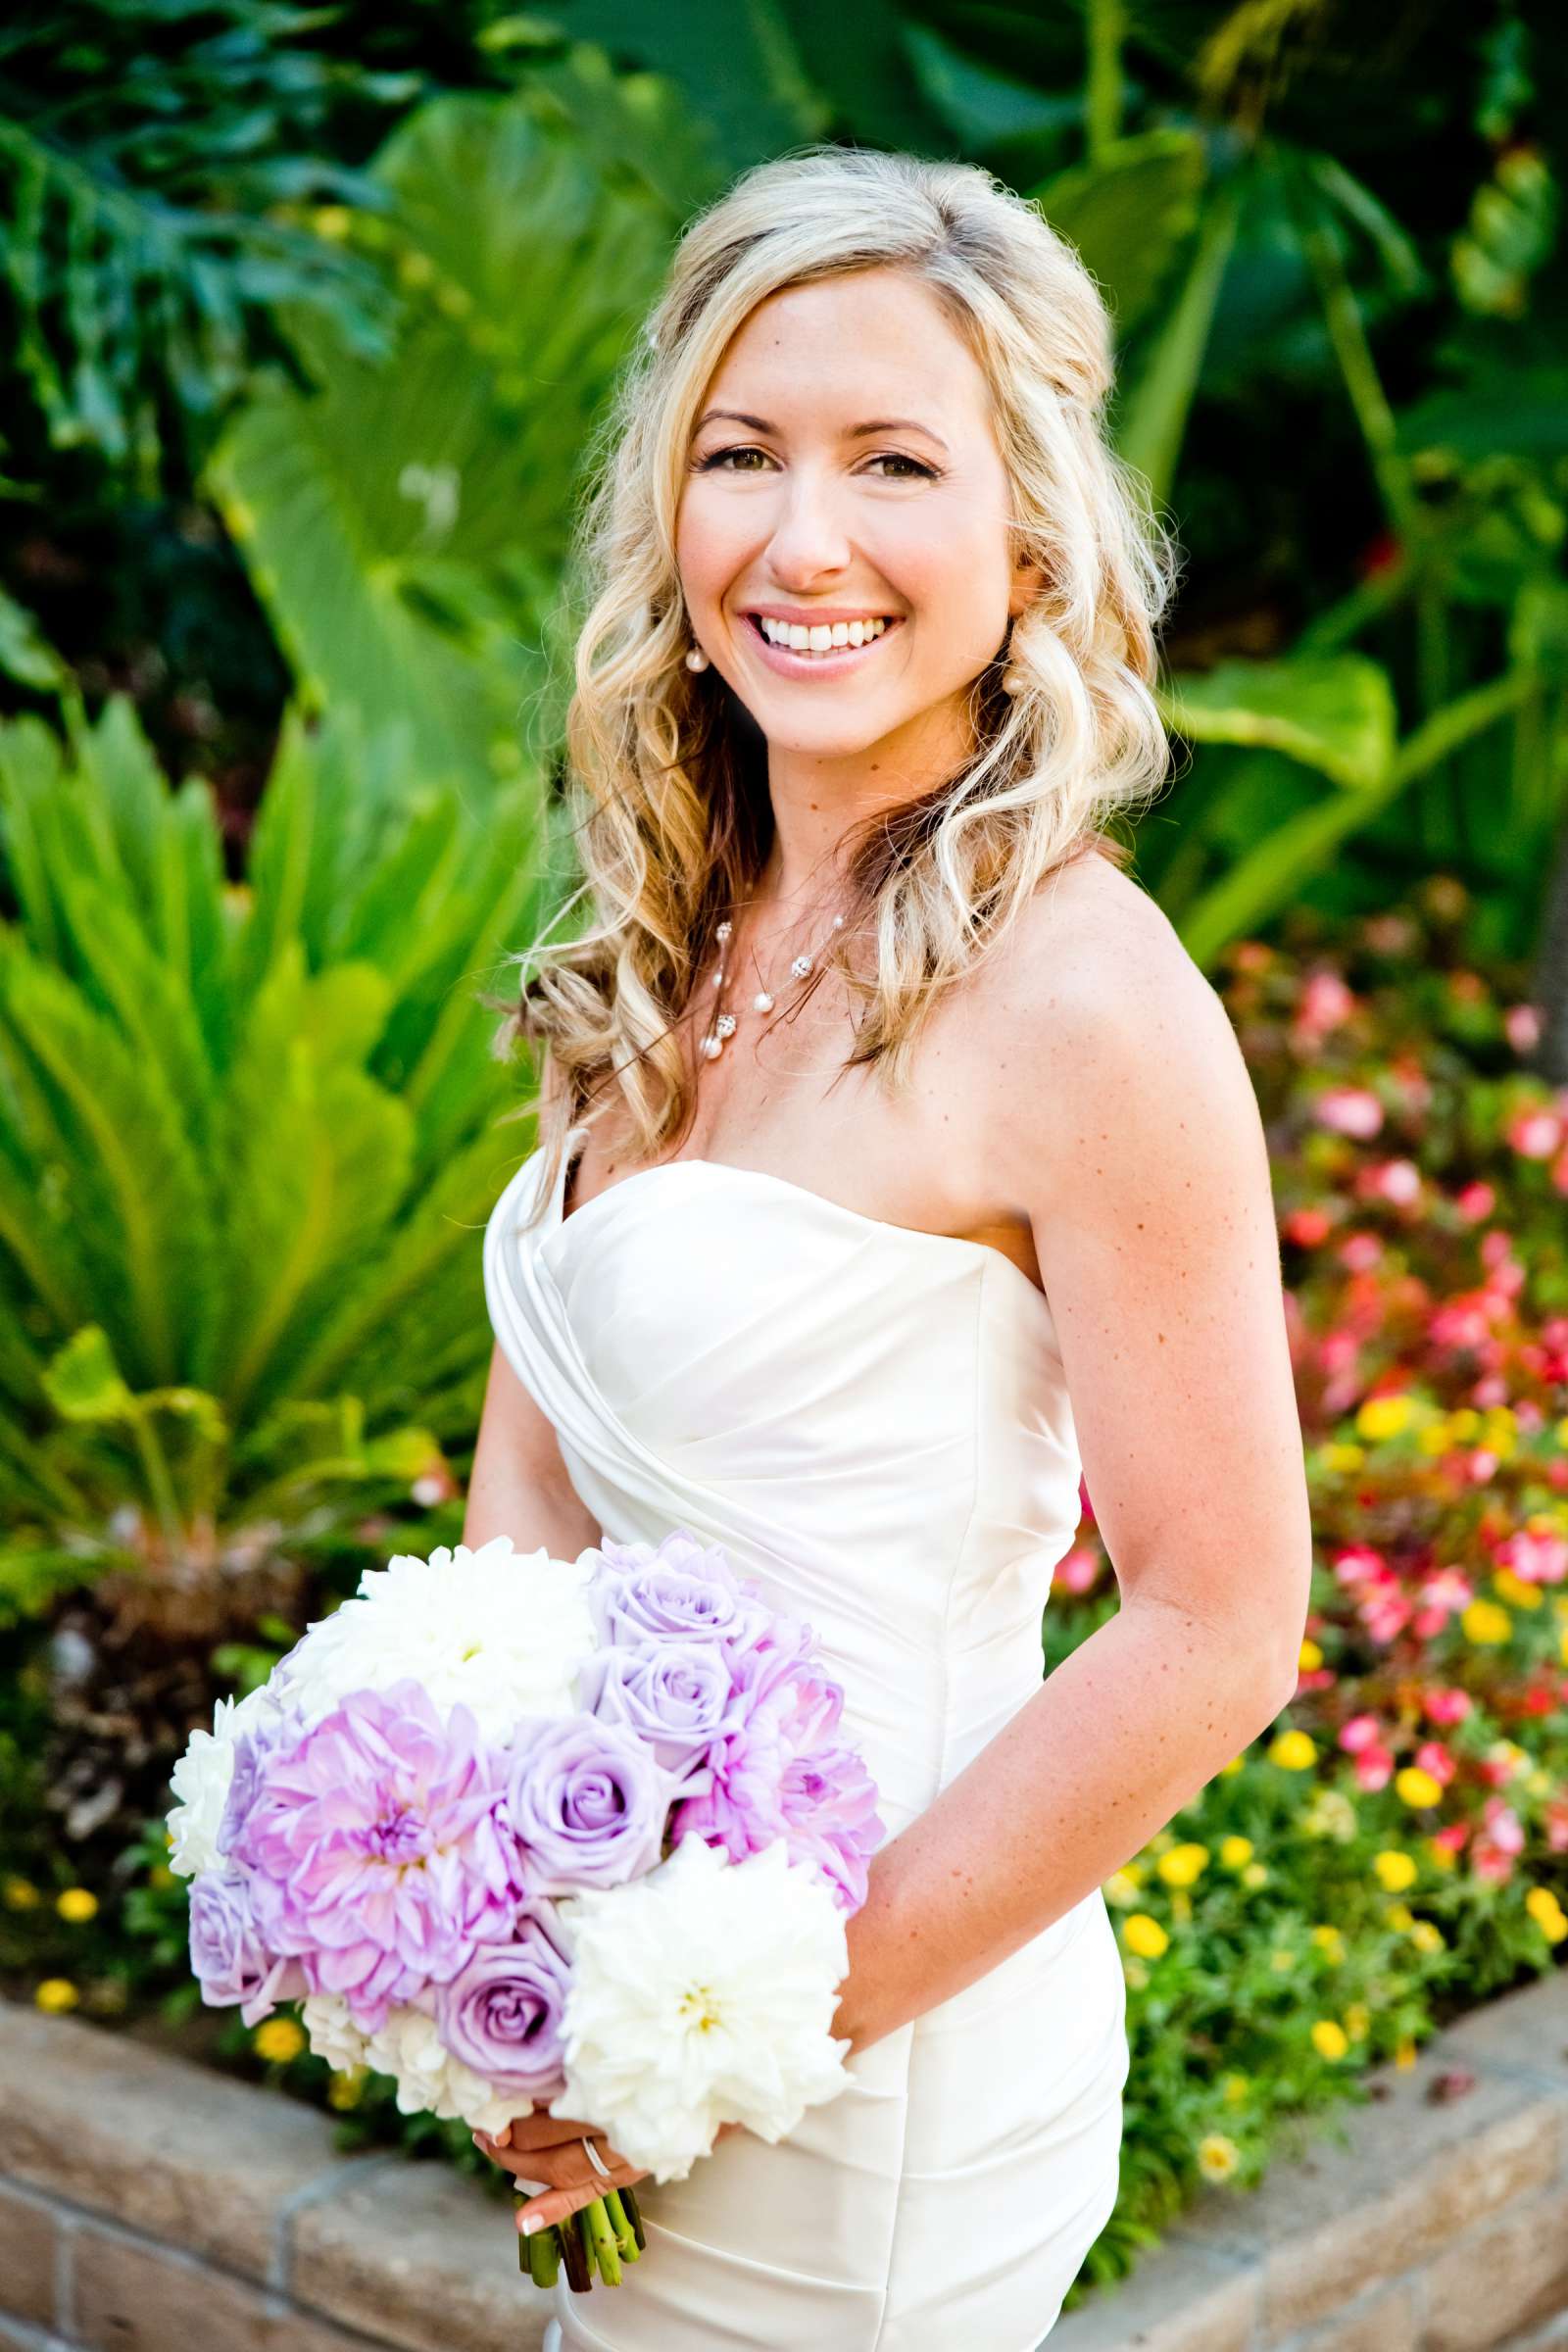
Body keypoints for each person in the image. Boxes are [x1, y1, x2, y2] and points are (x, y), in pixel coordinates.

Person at [465, 143, 1311, 2352]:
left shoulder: (1085, 1003)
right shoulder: (660, 932)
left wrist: (729, 2033)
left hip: (878, 2071)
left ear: (1023, 536)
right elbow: (538, 1478)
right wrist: (494, 1933)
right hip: (622, 2014)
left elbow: (1217, 1625)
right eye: (739, 455)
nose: (802, 540)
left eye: (892, 463)